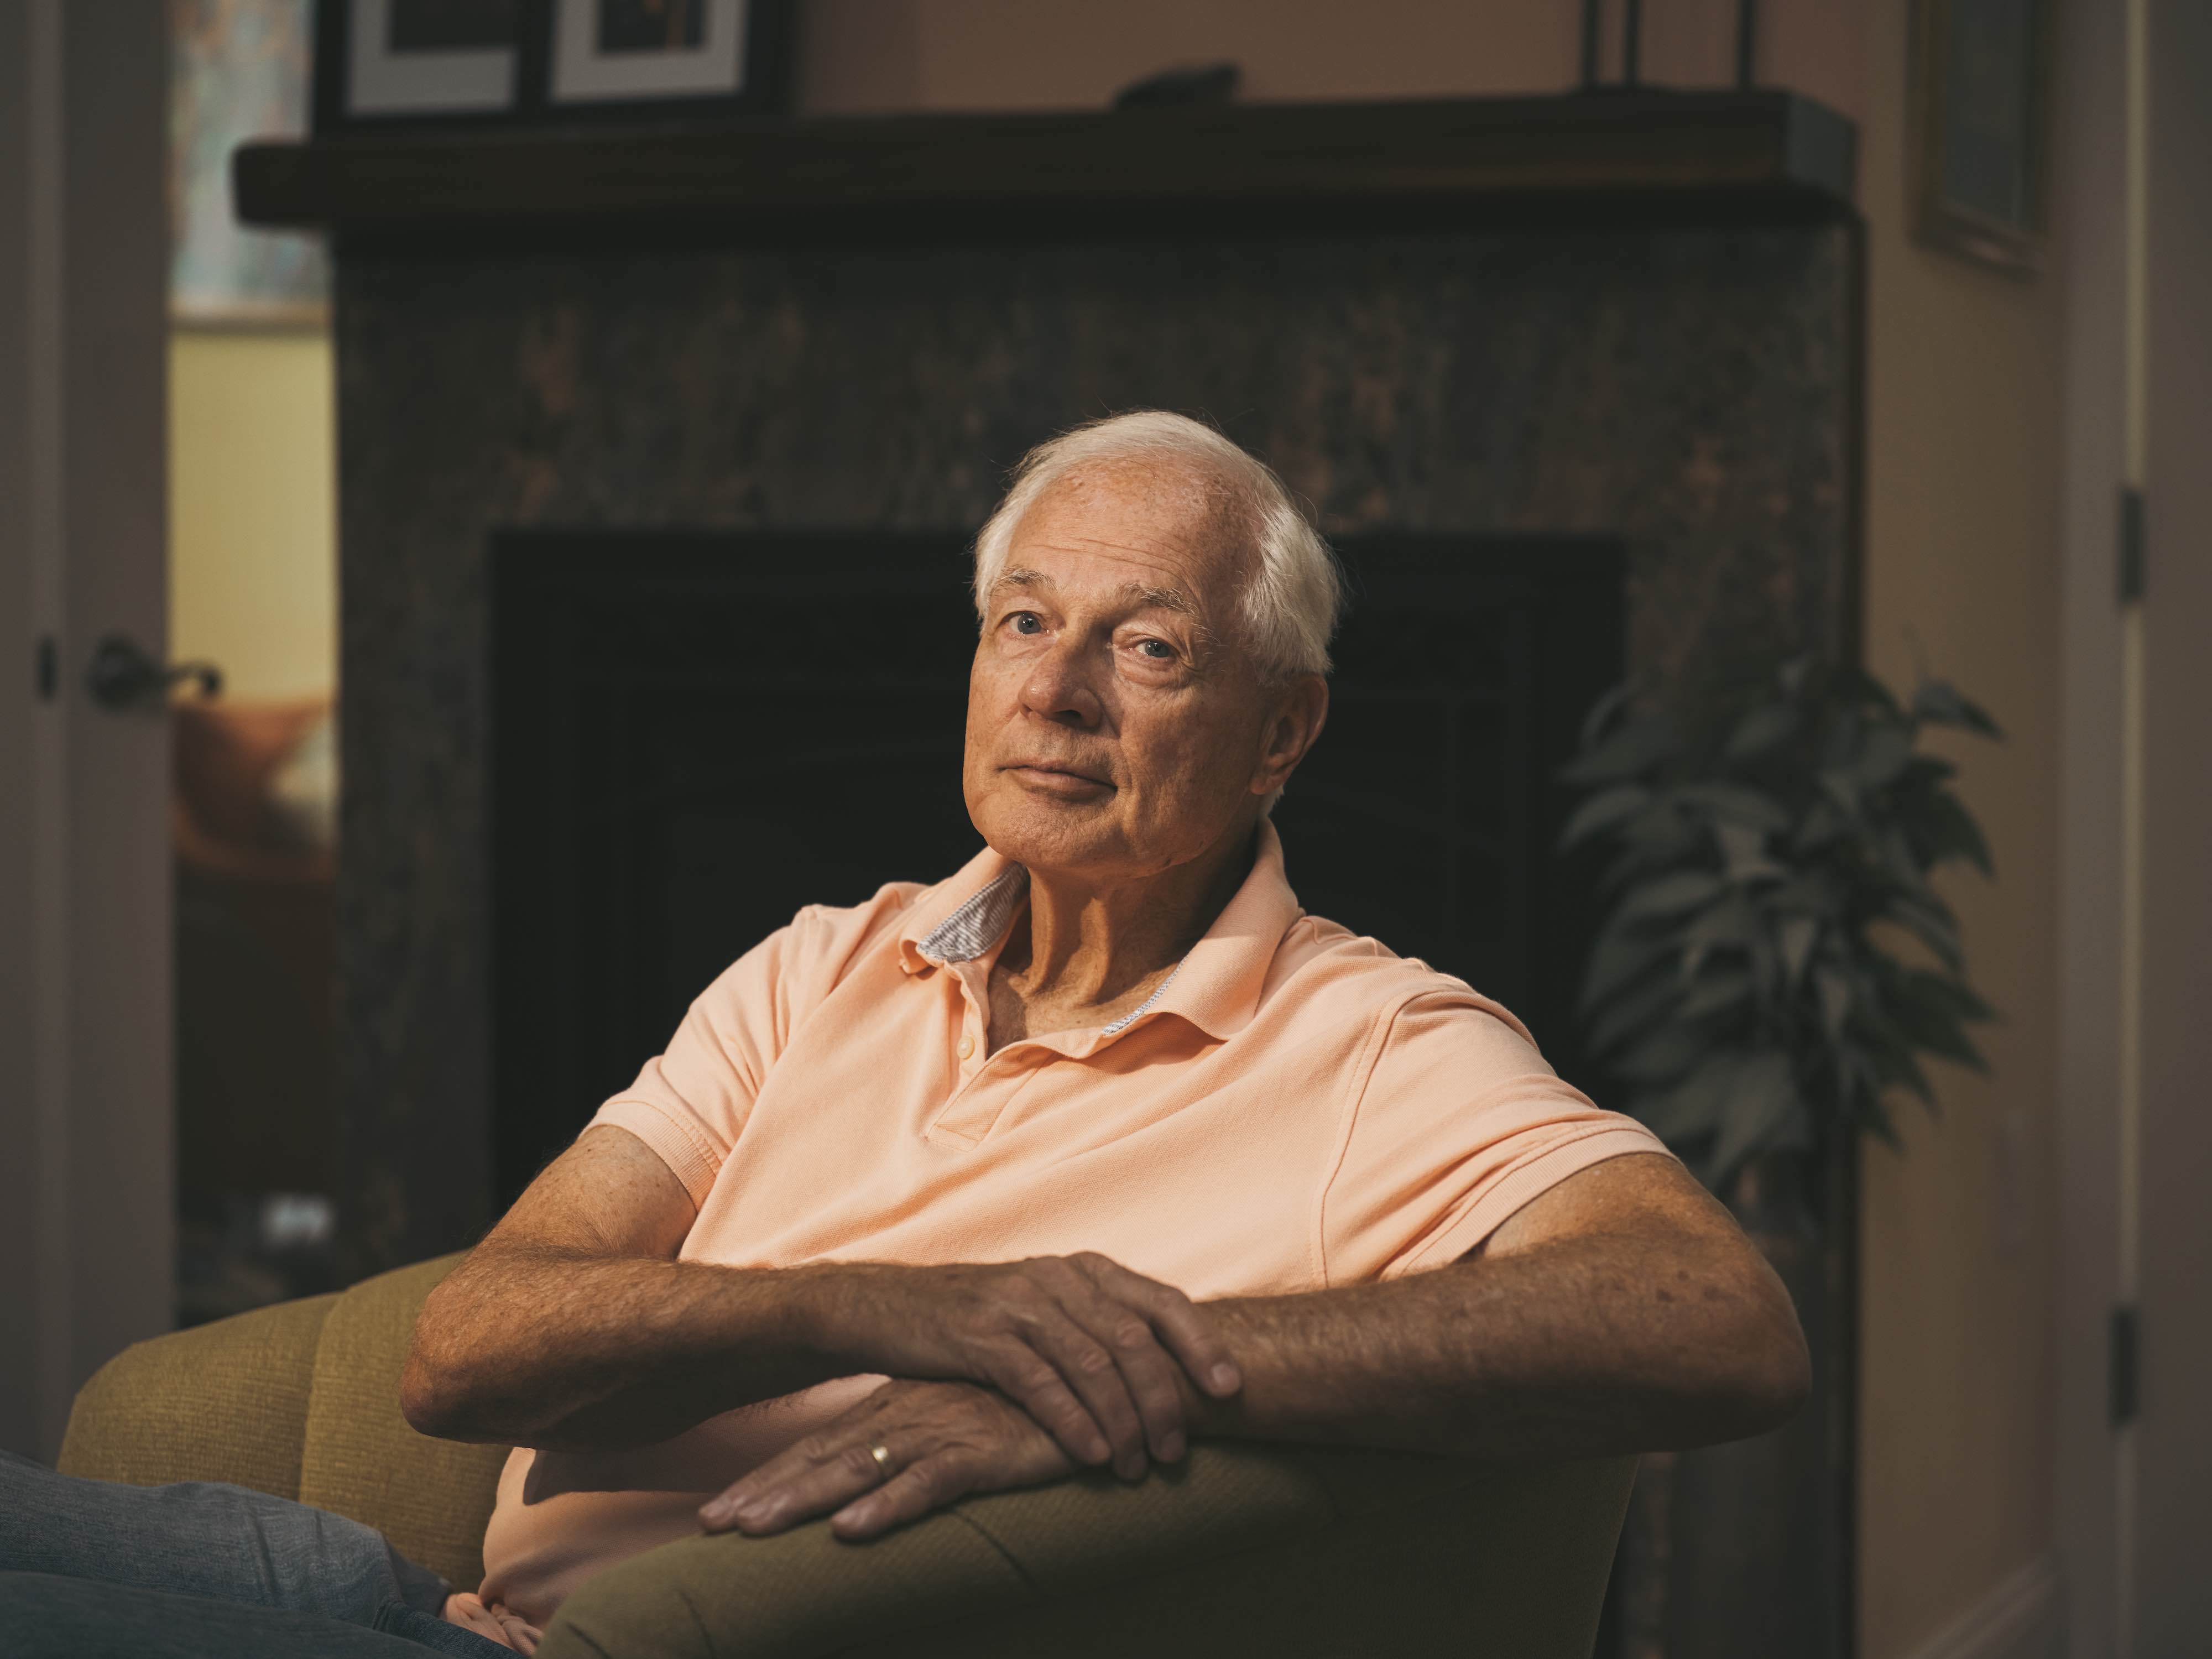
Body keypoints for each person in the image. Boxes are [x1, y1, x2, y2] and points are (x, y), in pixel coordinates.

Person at [0, 413, 1807, 1656]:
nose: (1056, 688)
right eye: (1024, 620)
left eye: (1150, 646)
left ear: (1280, 733)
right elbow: (466, 1351)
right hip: (398, 1588)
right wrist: (878, 1308)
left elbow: (1713, 1322)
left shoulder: (1373, 1043)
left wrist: (1157, 1368)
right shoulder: (822, 968)